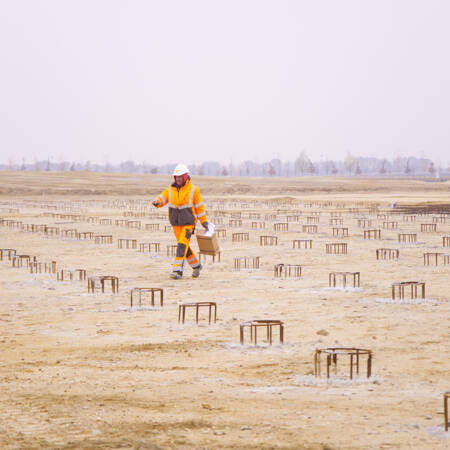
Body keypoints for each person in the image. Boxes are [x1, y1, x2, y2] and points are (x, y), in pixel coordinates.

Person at [152, 164, 209, 279]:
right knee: (184, 247)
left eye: (180, 177)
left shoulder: (193, 189)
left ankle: (177, 271)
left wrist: (204, 222)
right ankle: (196, 266)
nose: (177, 179)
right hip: (176, 223)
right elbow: (163, 198)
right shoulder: (170, 189)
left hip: (188, 223)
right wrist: (157, 201)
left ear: (185, 176)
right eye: (176, 177)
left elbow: (199, 207)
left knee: (182, 244)